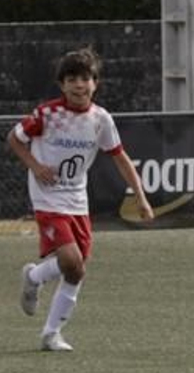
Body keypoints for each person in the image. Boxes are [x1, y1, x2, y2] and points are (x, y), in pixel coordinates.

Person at [8, 46, 155, 352]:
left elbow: (120, 157)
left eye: (85, 78)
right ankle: (44, 313)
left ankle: (46, 316)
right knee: (71, 260)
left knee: (76, 270)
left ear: (95, 83)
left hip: (77, 199)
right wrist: (36, 167)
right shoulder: (47, 114)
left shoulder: (100, 119)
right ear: (62, 84)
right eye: (72, 79)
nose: (79, 85)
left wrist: (140, 196)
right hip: (48, 198)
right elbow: (14, 138)